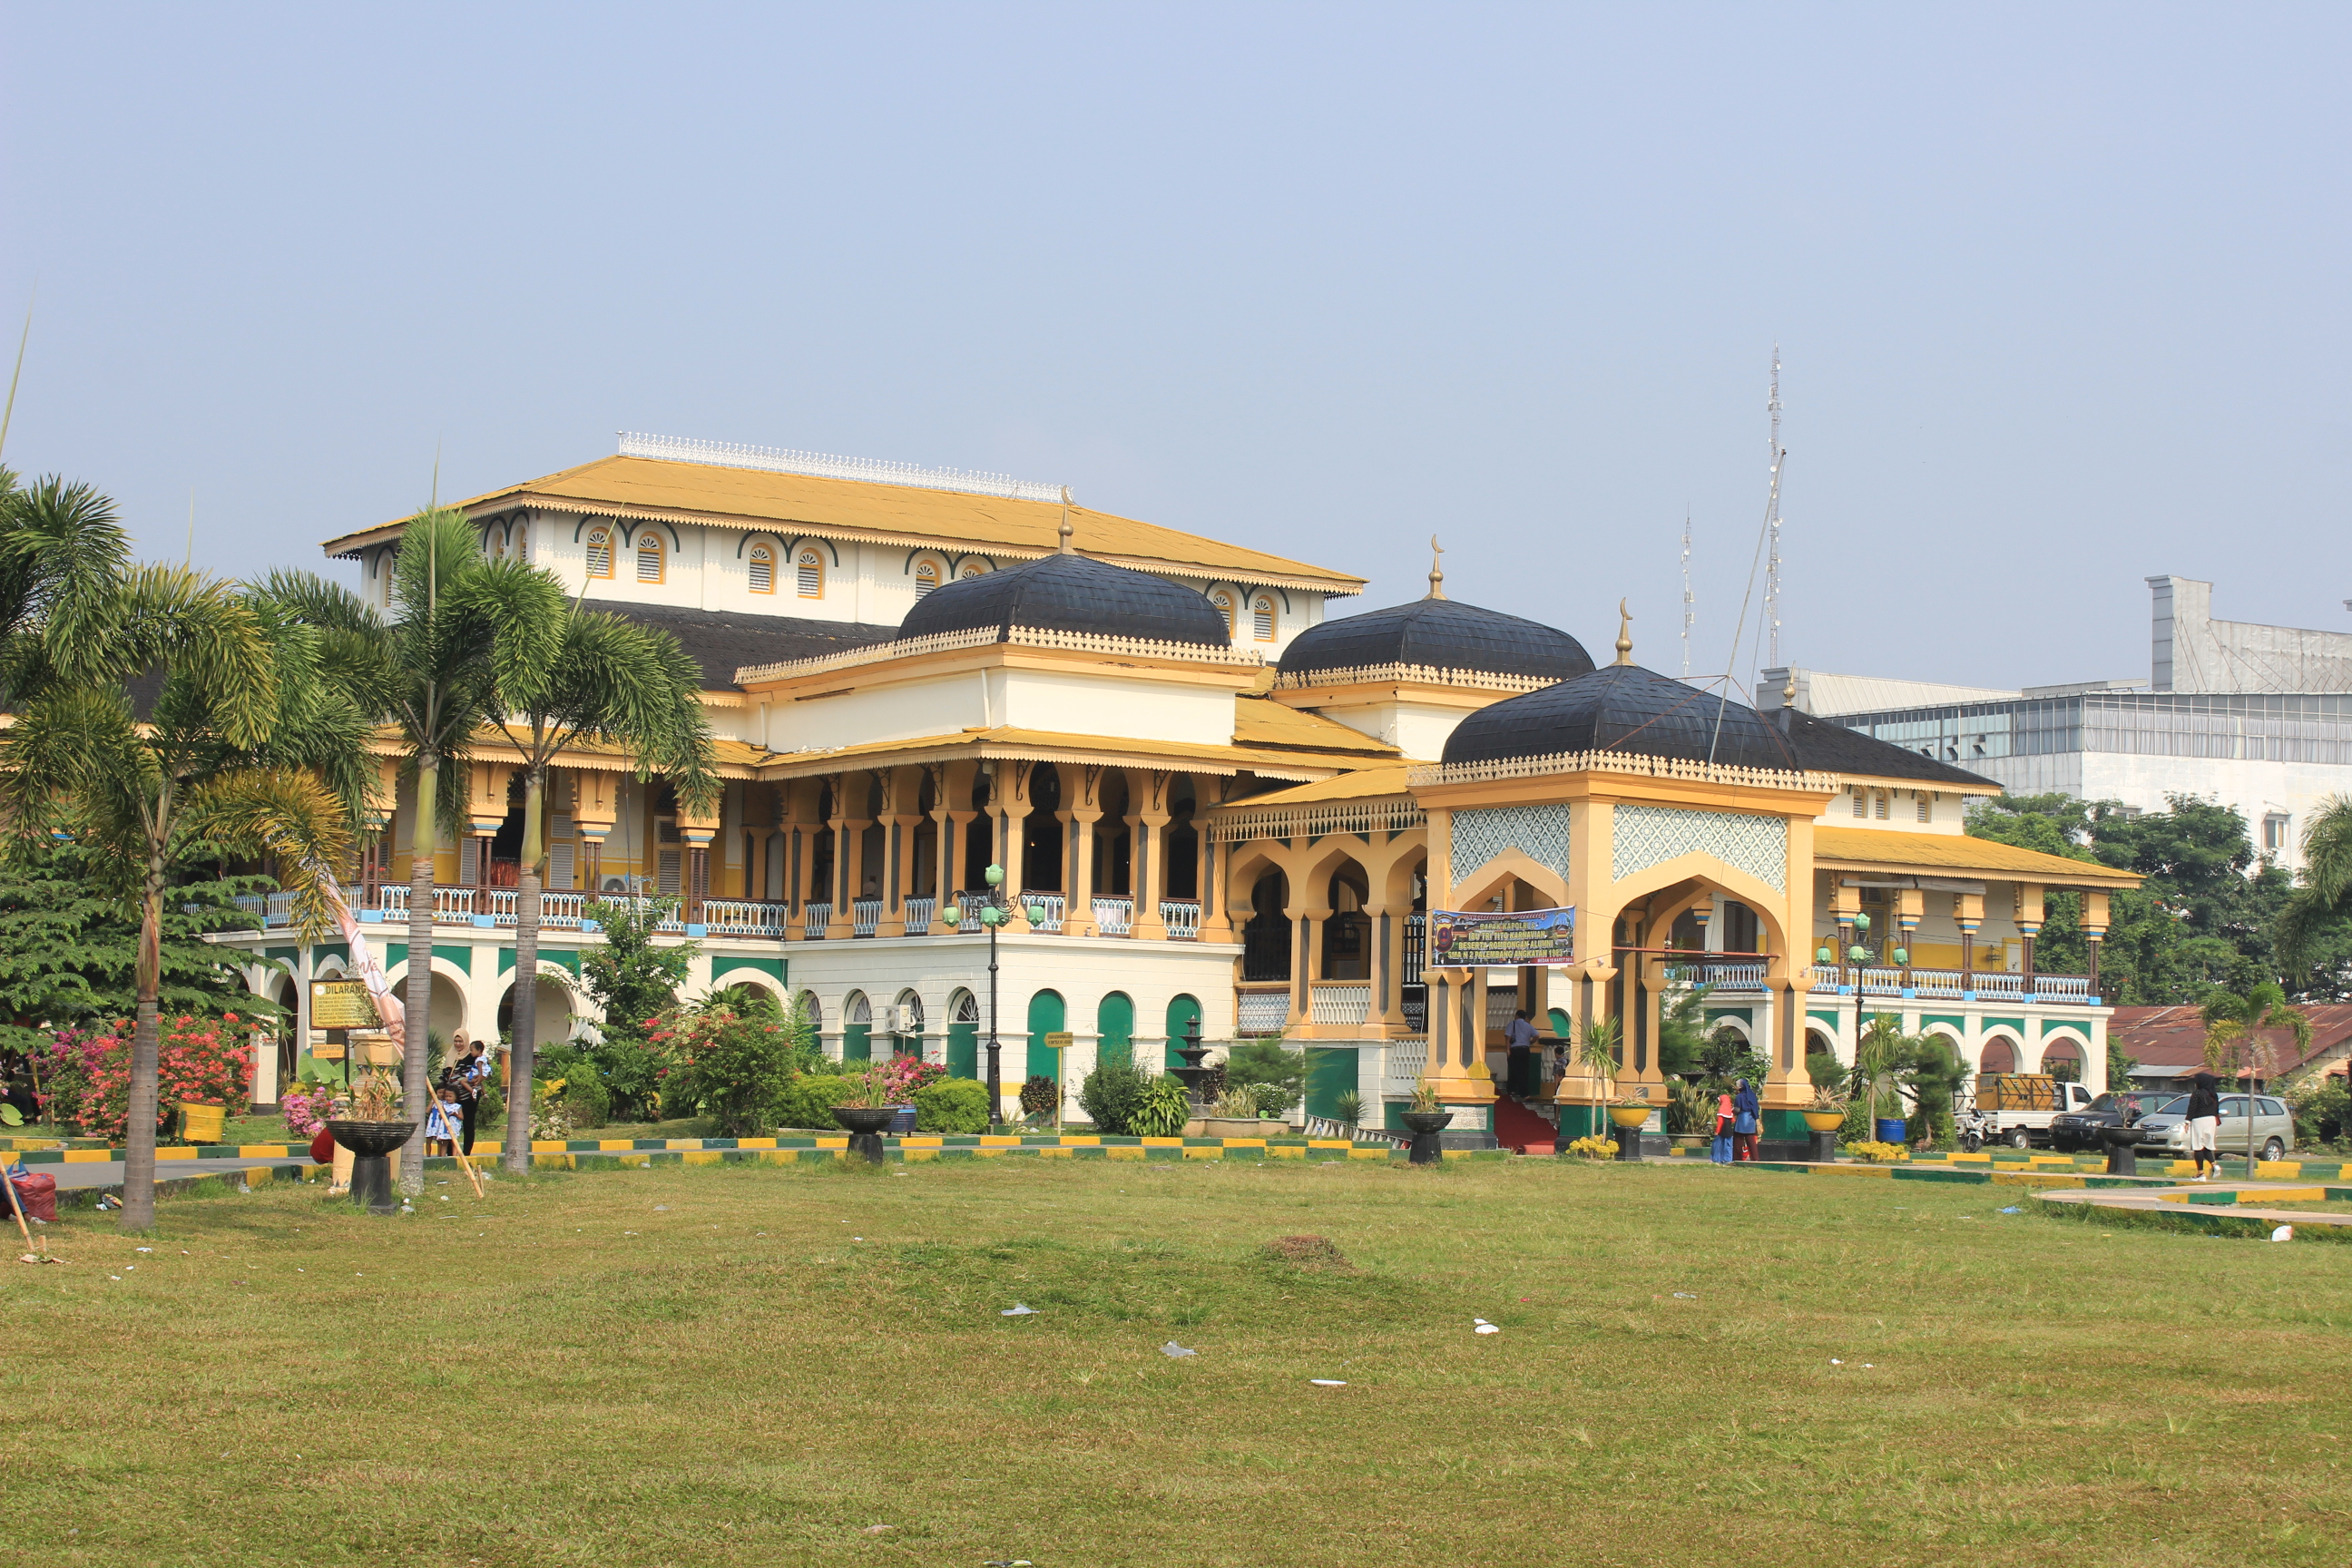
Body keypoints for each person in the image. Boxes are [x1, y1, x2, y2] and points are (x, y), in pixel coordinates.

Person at [2185, 1070, 2221, 1181]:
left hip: (2199, 1120)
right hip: (2211, 1120)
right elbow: (2216, 1109)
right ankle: (2214, 1165)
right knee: (2207, 1145)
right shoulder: (2213, 1094)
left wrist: (2187, 1121)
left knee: (2197, 1146)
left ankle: (2200, 1173)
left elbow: (2192, 1108)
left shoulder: (2198, 1093)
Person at [1504, 1009, 1539, 1097]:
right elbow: (1537, 1035)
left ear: (1517, 1016)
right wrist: (1530, 1042)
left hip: (1515, 1050)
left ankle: (1512, 1090)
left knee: (1513, 1070)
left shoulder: (1512, 1024)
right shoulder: (1528, 1026)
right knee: (1524, 1071)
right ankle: (1524, 1093)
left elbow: (1508, 1038)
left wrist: (1508, 1051)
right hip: (1525, 1050)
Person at [425, 1084, 463, 1158]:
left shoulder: (447, 1103)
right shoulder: (434, 1101)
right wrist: (433, 1101)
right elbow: (427, 1111)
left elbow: (461, 1117)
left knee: (441, 1142)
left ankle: (440, 1156)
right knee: (429, 1140)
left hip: (442, 1125)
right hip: (432, 1124)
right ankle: (428, 1156)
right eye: (440, 1092)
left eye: (443, 1093)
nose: (442, 1095)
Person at [1731, 1077, 1761, 1161]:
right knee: (1751, 1140)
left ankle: (1737, 1158)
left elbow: (1737, 1109)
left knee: (1738, 1140)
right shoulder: (1752, 1095)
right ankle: (1755, 1158)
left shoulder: (1739, 1096)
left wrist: (1733, 1112)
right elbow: (1755, 1108)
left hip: (1742, 1118)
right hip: (1751, 1119)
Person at [1712, 1087, 1736, 1164]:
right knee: (1728, 1145)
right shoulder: (1729, 1110)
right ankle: (1728, 1159)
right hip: (1729, 1131)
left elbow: (1720, 1122)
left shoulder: (1721, 1110)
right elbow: (1733, 1120)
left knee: (1718, 1146)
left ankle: (1717, 1159)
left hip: (1721, 1131)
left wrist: (1717, 1131)